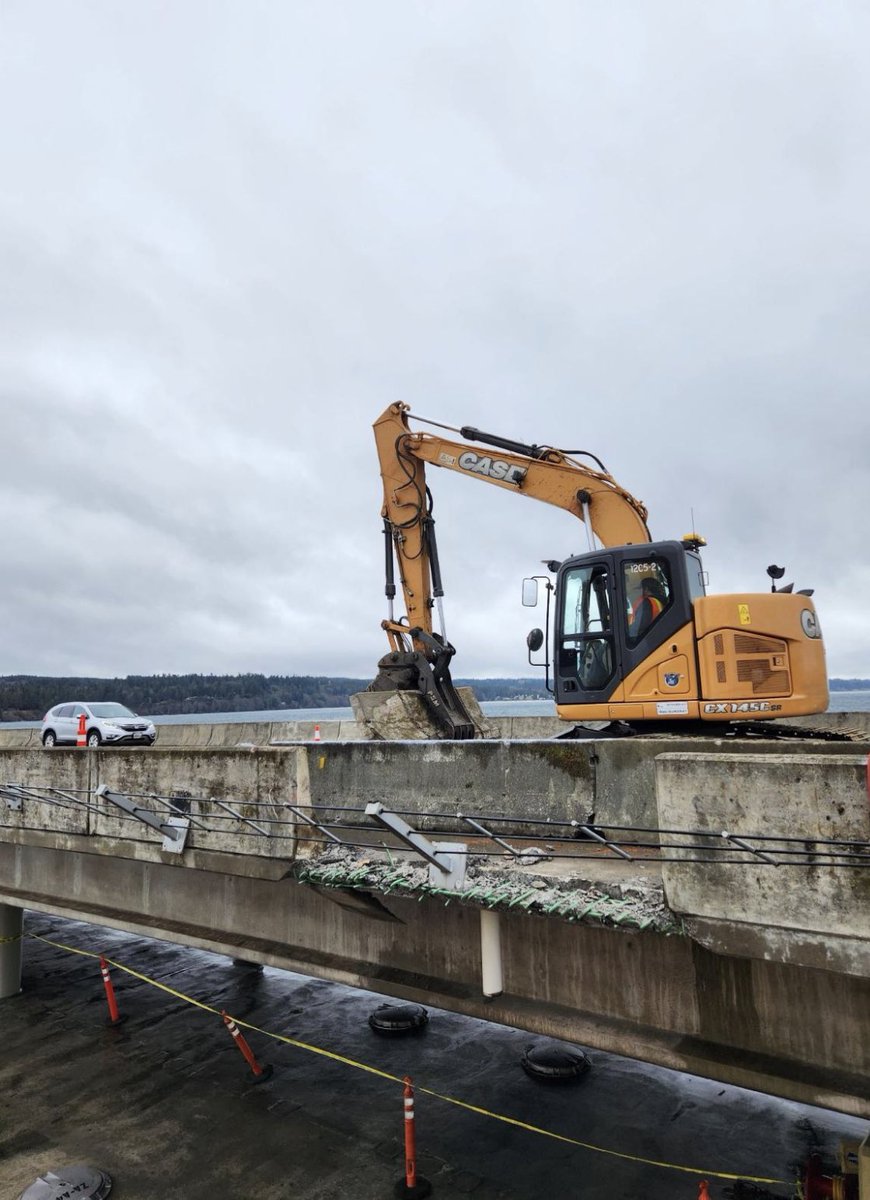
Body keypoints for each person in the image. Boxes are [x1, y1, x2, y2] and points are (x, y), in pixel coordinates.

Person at [628, 576, 666, 640]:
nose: (639, 592)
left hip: (649, 641)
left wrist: (626, 631)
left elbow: (640, 626)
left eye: (640, 588)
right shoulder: (660, 601)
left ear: (646, 589)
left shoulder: (648, 602)